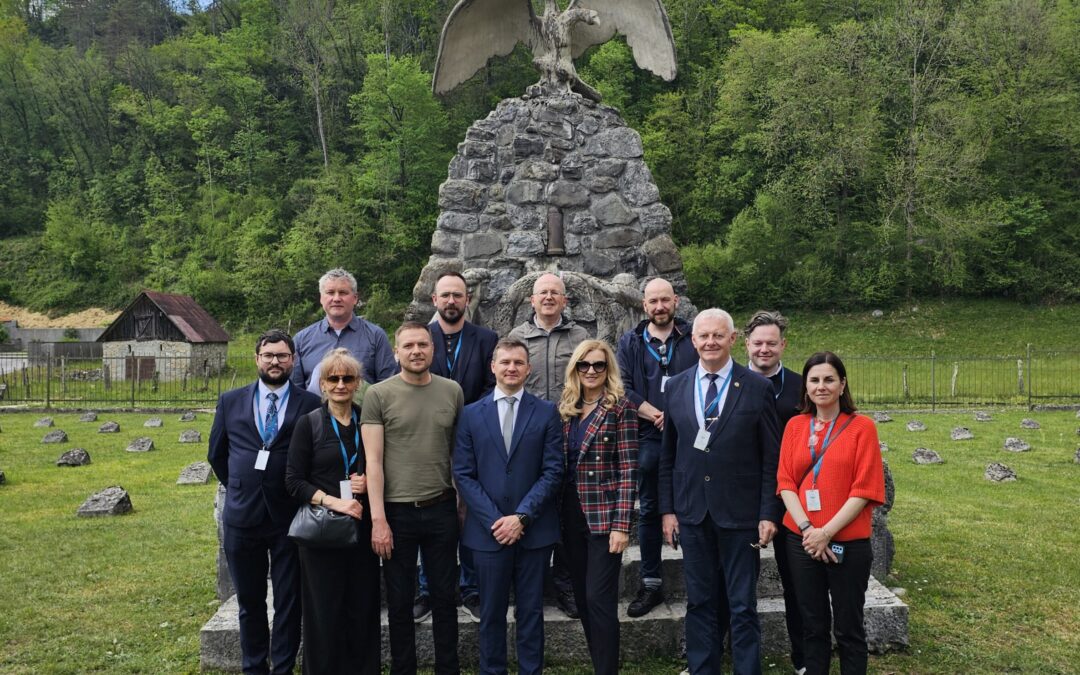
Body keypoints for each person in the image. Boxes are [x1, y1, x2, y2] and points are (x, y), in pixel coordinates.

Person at [659, 309, 781, 675]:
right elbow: (668, 455)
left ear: (732, 339)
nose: (710, 342)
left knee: (742, 604)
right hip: (693, 513)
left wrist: (767, 512)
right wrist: (667, 510)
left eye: (718, 335)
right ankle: (702, 669)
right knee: (699, 601)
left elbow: (769, 458)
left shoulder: (757, 388)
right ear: (693, 341)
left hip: (740, 515)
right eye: (703, 336)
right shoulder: (676, 386)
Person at [208, 329, 322, 675]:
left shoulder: (310, 403)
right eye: (269, 355)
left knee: (289, 601)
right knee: (250, 601)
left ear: (293, 360)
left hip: (288, 516)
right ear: (257, 359)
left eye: (282, 356)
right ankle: (254, 666)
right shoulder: (231, 401)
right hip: (242, 517)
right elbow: (217, 454)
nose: (275, 361)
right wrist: (243, 485)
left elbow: (316, 459)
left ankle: (283, 668)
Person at [453, 338, 564, 675]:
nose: (511, 368)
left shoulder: (546, 412)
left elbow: (553, 470)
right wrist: (497, 520)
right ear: (493, 366)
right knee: (491, 612)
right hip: (487, 533)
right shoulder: (471, 414)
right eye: (505, 362)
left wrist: (521, 517)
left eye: (518, 362)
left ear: (528, 369)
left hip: (534, 532)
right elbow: (464, 474)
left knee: (531, 611)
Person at [361, 321, 464, 675]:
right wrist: (378, 520)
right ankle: (403, 669)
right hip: (395, 513)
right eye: (408, 346)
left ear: (433, 349)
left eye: (422, 344)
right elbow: (372, 461)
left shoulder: (452, 391)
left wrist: (461, 504)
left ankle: (447, 668)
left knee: (445, 599)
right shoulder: (378, 394)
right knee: (401, 601)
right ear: (396, 352)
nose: (416, 351)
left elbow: (458, 456)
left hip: (441, 508)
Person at [777, 352, 885, 675]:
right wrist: (810, 529)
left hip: (846, 543)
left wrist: (826, 532)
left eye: (828, 379)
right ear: (805, 386)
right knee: (812, 625)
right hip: (801, 540)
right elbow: (785, 482)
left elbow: (864, 490)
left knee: (849, 629)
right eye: (814, 380)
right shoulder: (795, 426)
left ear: (842, 385)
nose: (821, 386)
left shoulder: (862, 428)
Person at [285, 348, 381, 674]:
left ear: (357, 383)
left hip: (361, 531)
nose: (341, 384)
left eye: (347, 378)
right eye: (333, 378)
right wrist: (332, 500)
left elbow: (382, 466)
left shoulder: (368, 421)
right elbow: (293, 481)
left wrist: (370, 482)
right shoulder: (308, 424)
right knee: (323, 614)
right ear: (322, 385)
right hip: (323, 533)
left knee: (362, 610)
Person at [416, 271, 500, 622]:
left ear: (468, 300)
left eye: (458, 295)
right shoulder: (421, 339)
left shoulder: (486, 338)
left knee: (468, 515)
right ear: (434, 300)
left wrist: (466, 420)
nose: (451, 301)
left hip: (473, 440)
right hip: (428, 441)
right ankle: (427, 589)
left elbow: (490, 386)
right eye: (445, 295)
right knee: (428, 514)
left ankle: (470, 588)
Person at [615, 277, 697, 617]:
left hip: (691, 434)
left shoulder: (694, 337)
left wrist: (676, 415)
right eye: (653, 301)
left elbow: (704, 375)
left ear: (675, 301)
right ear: (644, 305)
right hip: (647, 434)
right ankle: (650, 582)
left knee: (692, 505)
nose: (660, 306)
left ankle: (699, 581)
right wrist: (653, 413)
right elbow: (622, 386)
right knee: (649, 507)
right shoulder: (630, 342)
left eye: (665, 300)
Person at [508, 271, 587, 617]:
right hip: (528, 435)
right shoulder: (516, 338)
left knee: (569, 511)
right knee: (534, 505)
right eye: (543, 293)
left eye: (556, 292)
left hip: (572, 433)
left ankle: (566, 582)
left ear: (565, 300)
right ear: (532, 300)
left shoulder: (581, 335)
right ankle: (534, 580)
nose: (549, 297)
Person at [557, 339, 638, 675]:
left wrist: (622, 525)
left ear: (608, 370)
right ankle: (599, 662)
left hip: (604, 518)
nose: (591, 371)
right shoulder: (566, 407)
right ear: (575, 369)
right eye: (584, 365)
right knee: (582, 599)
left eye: (599, 365)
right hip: (569, 516)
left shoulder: (621, 407)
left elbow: (629, 469)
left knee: (598, 600)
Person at [744, 310, 805, 674]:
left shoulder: (802, 387)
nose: (764, 349)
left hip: (792, 499)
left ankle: (803, 657)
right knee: (734, 583)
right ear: (746, 344)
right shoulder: (731, 383)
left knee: (797, 582)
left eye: (771, 343)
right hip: (744, 495)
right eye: (758, 343)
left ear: (783, 345)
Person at [291, 268, 398, 390]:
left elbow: (388, 386)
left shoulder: (376, 336)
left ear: (355, 298)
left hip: (364, 409)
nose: (336, 298)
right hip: (314, 409)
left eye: (343, 292)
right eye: (330, 292)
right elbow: (295, 391)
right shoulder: (301, 340)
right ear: (321, 298)